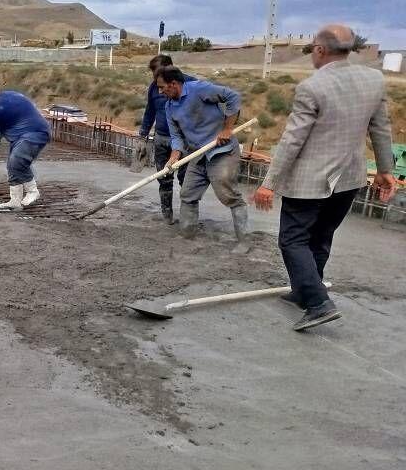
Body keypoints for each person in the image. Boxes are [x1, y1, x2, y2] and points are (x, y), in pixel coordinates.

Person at [252, 24, 396, 331]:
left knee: (293, 240)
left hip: (309, 182)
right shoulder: (373, 79)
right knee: (321, 236)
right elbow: (381, 127)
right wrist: (386, 170)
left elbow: (293, 140)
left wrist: (269, 184)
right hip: (348, 179)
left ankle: (318, 303)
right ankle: (305, 291)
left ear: (319, 50)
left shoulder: (312, 87)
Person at [157, 67, 250, 252]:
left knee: (229, 195)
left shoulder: (199, 89)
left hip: (221, 151)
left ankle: (243, 241)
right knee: (188, 194)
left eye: (162, 87)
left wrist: (227, 128)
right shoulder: (169, 107)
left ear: (174, 84)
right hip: (198, 154)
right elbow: (176, 136)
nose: (160, 91)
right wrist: (175, 155)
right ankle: (187, 234)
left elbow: (233, 97)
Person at [0, 82, 51, 210]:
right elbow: (11, 118)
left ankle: (33, 192)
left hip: (33, 133)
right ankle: (15, 200)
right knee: (13, 164)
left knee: (17, 162)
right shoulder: (12, 95)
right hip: (27, 134)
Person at [138, 55, 194, 224]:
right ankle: (167, 215)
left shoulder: (190, 84)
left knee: (187, 180)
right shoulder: (154, 88)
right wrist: (143, 135)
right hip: (162, 138)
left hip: (185, 141)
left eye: (157, 74)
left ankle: (187, 218)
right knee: (164, 178)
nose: (155, 80)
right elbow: (150, 111)